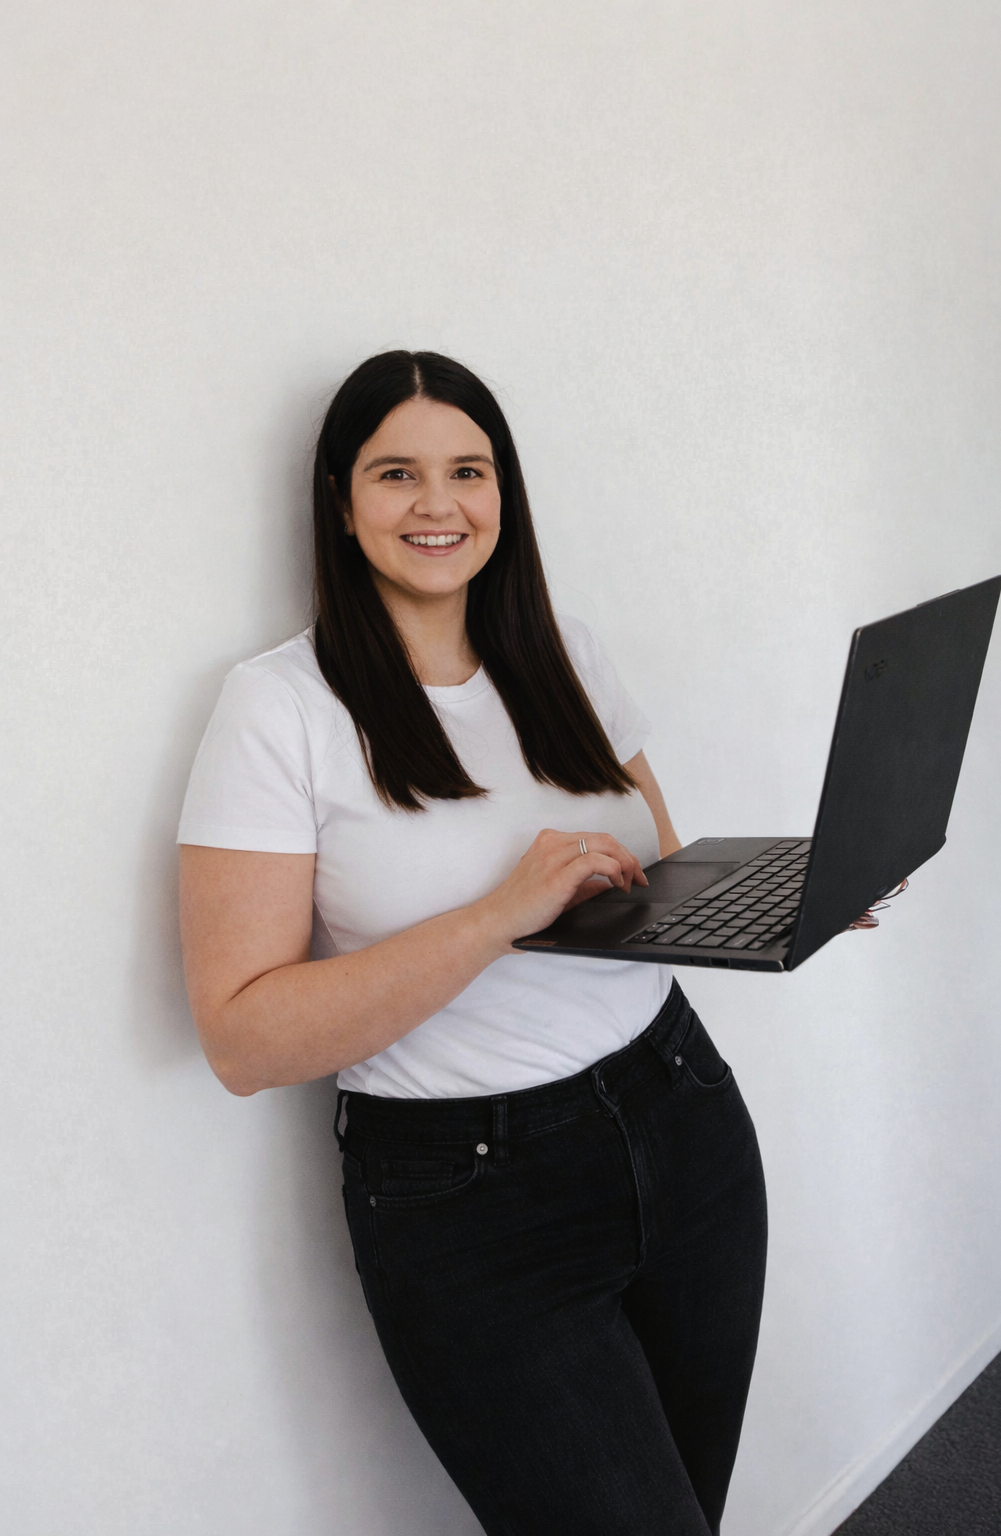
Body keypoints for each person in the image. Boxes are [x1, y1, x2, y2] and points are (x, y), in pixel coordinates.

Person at [178, 351, 768, 1536]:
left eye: (469, 471)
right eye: (397, 474)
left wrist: (783, 899)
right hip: (472, 1197)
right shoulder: (278, 707)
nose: (438, 505)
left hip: (683, 1109)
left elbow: (651, 864)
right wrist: (495, 917)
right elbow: (243, 1037)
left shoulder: (562, 647)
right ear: (341, 501)